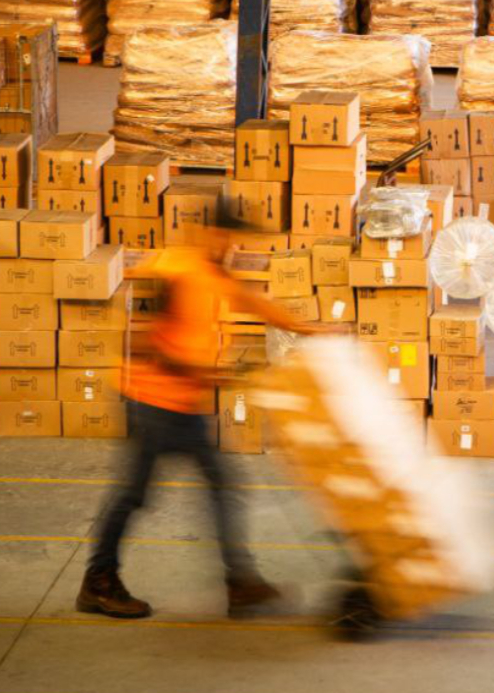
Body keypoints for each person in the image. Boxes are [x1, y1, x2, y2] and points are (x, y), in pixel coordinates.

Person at [77, 199, 318, 619]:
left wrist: (307, 328)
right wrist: (206, 373)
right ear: (211, 233)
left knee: (224, 485)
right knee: (133, 496)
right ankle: (98, 582)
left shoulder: (211, 273)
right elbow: (143, 340)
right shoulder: (174, 270)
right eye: (229, 240)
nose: (233, 250)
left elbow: (252, 302)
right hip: (151, 402)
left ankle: (241, 583)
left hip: (183, 406)